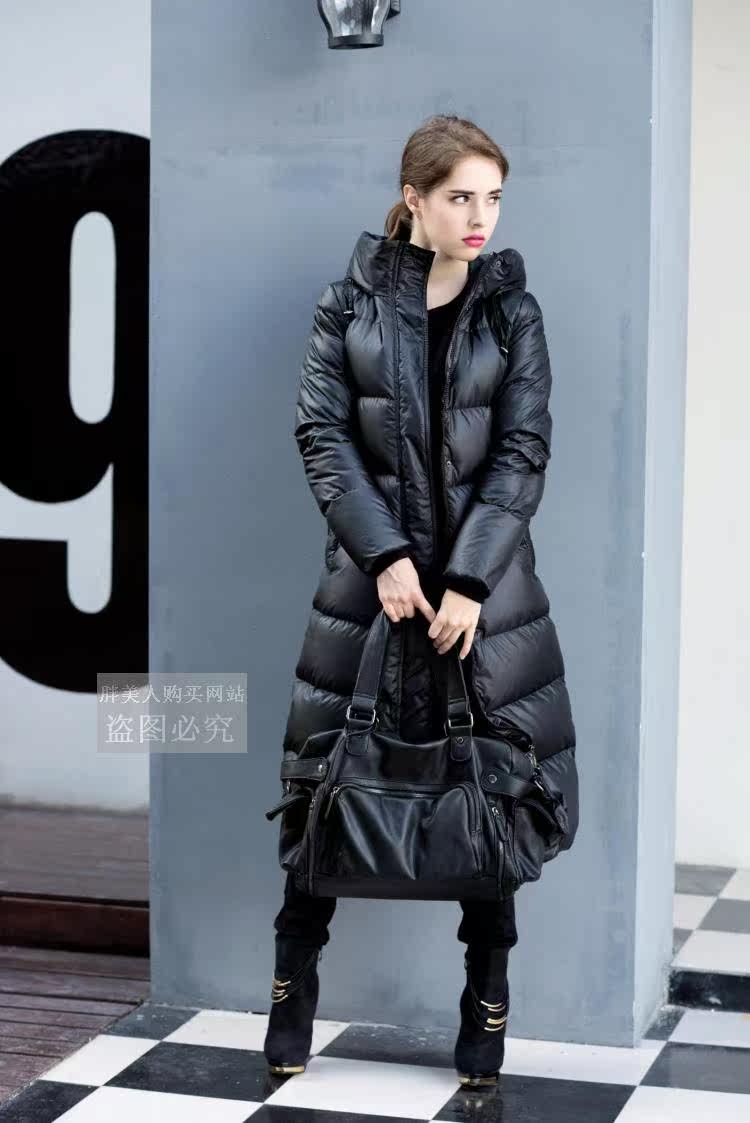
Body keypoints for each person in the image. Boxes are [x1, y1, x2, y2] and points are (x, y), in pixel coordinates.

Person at [264, 114, 578, 1087]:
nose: (481, 216)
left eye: (493, 197)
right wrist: (388, 557)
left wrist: (470, 579)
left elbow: (522, 451)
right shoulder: (347, 304)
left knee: (486, 796)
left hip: (484, 603)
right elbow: (322, 435)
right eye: (460, 196)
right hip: (371, 597)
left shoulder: (511, 314)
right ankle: (290, 997)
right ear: (415, 198)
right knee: (326, 788)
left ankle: (486, 1007)